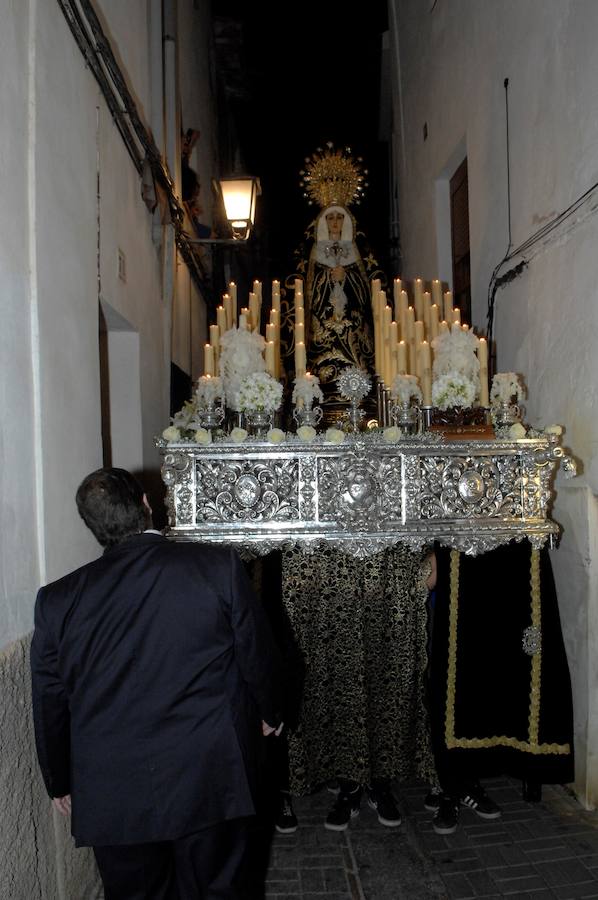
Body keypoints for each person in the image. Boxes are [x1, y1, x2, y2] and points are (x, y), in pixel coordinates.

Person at [30, 467, 283, 899]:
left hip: (114, 788)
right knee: (222, 889)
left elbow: (50, 699)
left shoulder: (57, 601)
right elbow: (255, 651)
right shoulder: (214, 565)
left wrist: (60, 779)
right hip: (209, 775)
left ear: (92, 527)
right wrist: (270, 711)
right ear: (147, 504)